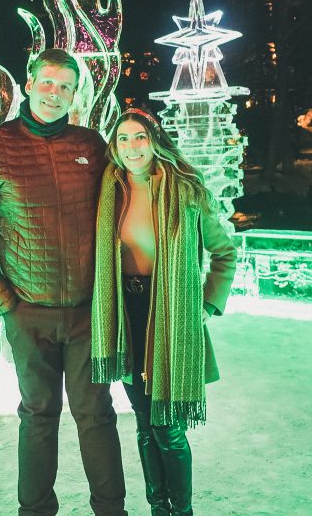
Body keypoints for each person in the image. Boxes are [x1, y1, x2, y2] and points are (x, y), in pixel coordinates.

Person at [0, 48, 128, 516]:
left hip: (88, 312)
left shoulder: (92, 146)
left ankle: (112, 510)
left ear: (75, 93)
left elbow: (128, 206)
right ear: (28, 85)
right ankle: (34, 511)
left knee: (96, 416)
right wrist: (5, 302)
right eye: (47, 83)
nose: (55, 93)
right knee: (37, 417)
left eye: (65, 86)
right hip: (28, 313)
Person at [91, 108, 237, 516]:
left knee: (168, 425)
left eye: (139, 137)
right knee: (142, 419)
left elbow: (224, 252)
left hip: (170, 314)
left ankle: (182, 510)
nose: (132, 147)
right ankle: (158, 507)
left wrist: (207, 304)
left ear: (155, 140)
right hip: (124, 314)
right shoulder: (108, 190)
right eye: (123, 139)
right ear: (114, 146)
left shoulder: (186, 190)